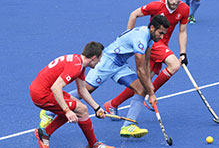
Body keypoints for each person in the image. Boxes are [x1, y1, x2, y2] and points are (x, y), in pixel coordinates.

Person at [38, 15, 170, 138]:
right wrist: (151, 93)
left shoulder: (150, 38)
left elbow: (146, 65)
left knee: (141, 89)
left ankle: (128, 126)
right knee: (85, 90)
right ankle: (48, 112)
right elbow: (140, 70)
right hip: (107, 61)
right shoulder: (140, 38)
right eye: (161, 33)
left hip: (120, 65)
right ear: (152, 28)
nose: (162, 37)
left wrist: (149, 89)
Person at [104, 0, 189, 116]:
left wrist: (183, 53)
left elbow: (182, 31)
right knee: (174, 65)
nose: (174, 2)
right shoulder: (156, 6)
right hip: (152, 44)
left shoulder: (184, 9)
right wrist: (129, 36)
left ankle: (113, 104)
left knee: (143, 83)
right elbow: (134, 14)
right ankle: (151, 95)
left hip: (163, 46)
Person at [29, 41, 115, 148]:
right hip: (42, 94)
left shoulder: (79, 63)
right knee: (81, 110)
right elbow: (56, 88)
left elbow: (82, 91)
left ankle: (45, 133)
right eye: (100, 59)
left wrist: (97, 108)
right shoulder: (75, 67)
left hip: (41, 89)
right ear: (94, 58)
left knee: (76, 105)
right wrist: (67, 110)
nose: (100, 62)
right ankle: (93, 145)